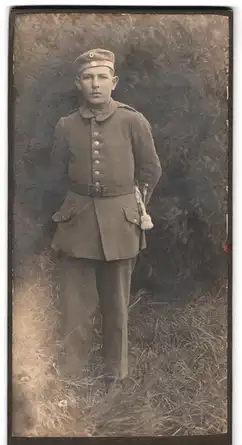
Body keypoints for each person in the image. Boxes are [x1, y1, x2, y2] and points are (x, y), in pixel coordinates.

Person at [50, 48, 162, 388]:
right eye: (88, 77)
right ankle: (72, 375)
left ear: (114, 82)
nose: (95, 84)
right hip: (77, 222)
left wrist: (136, 209)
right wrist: (69, 208)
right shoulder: (66, 125)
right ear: (78, 84)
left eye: (102, 77)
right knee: (75, 306)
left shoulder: (133, 120)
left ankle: (114, 375)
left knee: (116, 306)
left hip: (121, 223)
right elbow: (55, 174)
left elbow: (150, 170)